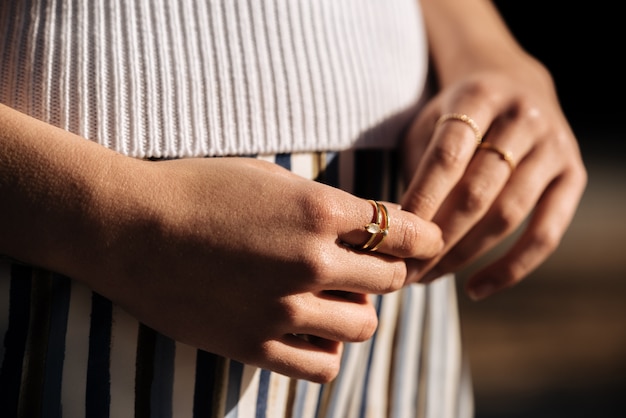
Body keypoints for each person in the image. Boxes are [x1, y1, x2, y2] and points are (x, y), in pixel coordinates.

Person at [0, 0, 586, 417]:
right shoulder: (113, 229)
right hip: (81, 247)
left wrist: (488, 51)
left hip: (391, 258)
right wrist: (114, 218)